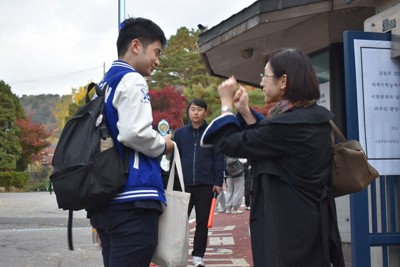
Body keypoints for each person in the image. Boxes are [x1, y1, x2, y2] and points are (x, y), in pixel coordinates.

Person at [201, 48, 345, 266]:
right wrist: (246, 111)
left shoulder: (289, 126)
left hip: (290, 234)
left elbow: (232, 143)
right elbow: (268, 139)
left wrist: (226, 105)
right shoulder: (310, 118)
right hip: (308, 224)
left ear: (284, 80)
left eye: (265, 76)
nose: (262, 84)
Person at [87, 17, 174, 267]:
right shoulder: (133, 80)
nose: (157, 61)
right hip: (133, 197)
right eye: (156, 52)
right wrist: (164, 144)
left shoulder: (102, 85)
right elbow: (134, 133)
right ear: (136, 46)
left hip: (104, 197)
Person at [173, 99, 224, 267]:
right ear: (188, 112)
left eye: (199, 110)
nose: (195, 112)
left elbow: (218, 157)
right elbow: (175, 159)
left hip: (206, 184)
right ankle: (177, 256)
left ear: (205, 113)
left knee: (202, 223)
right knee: (180, 223)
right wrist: (174, 183)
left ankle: (197, 257)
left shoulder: (212, 133)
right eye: (193, 109)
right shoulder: (179, 134)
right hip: (184, 184)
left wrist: (217, 181)